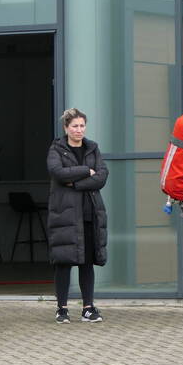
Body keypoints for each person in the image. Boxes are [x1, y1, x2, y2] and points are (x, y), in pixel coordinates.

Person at [46, 108, 109, 324]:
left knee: (87, 263)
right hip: (65, 215)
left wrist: (75, 183)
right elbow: (58, 172)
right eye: (74, 126)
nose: (79, 130)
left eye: (82, 126)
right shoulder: (56, 149)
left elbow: (101, 176)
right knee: (63, 263)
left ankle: (88, 308)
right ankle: (61, 309)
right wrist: (85, 171)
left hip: (89, 214)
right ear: (66, 128)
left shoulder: (93, 148)